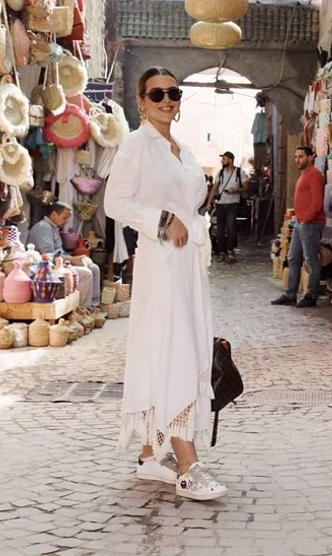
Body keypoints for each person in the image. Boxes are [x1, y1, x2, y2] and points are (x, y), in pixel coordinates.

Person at [104, 66, 227, 502]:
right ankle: (188, 464)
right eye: (157, 94)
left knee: (177, 346)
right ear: (140, 101)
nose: (167, 100)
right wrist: (162, 219)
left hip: (187, 266)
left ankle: (150, 457)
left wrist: (188, 223)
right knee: (172, 348)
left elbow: (190, 203)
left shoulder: (183, 150)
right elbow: (115, 202)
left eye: (174, 93)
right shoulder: (136, 145)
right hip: (160, 263)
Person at [271, 145, 325, 308]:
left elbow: (317, 202)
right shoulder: (304, 175)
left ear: (310, 158)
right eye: (295, 157)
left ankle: (311, 295)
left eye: (300, 156)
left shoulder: (314, 174)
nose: (297, 160)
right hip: (300, 223)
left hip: (310, 224)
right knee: (293, 258)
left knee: (310, 260)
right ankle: (290, 293)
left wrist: (306, 218)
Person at [26, 201, 101, 310]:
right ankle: (84, 309)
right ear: (54, 215)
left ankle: (94, 306)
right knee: (86, 273)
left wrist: (75, 259)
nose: (66, 221)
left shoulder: (53, 228)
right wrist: (74, 259)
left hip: (58, 263)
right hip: (44, 269)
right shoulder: (43, 227)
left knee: (94, 268)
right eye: (64, 218)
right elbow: (48, 255)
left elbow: (60, 252)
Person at [207, 151, 248, 264]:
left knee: (231, 228)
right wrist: (209, 202)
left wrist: (236, 190)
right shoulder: (220, 173)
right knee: (220, 230)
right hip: (220, 204)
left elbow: (246, 187)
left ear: (230, 160)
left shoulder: (239, 172)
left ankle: (230, 251)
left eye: (224, 159)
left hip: (233, 204)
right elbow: (215, 188)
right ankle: (221, 252)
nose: (222, 161)